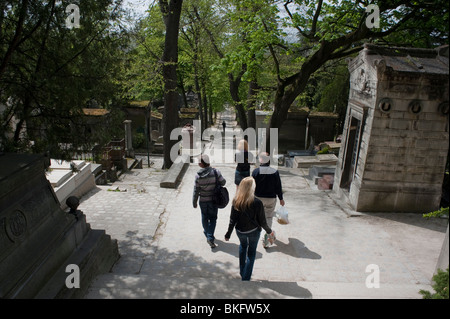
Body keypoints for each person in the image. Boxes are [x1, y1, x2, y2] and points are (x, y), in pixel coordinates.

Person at [224, 177, 274, 281]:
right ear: (252, 188)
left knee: (242, 247)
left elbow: (232, 220)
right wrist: (269, 231)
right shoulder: (257, 202)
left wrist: (228, 234)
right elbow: (262, 221)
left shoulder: (236, 201)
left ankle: (243, 272)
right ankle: (246, 278)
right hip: (254, 231)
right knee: (251, 253)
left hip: (240, 231)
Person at [252, 152, 285, 248]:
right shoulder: (275, 172)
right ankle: (265, 235)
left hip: (258, 198)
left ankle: (260, 234)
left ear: (261, 160)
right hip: (271, 198)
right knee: (269, 218)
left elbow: (251, 186)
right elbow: (278, 186)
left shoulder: (255, 172)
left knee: (258, 217)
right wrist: (281, 198)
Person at [193, 154, 226, 248]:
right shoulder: (216, 172)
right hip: (214, 200)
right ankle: (210, 236)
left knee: (204, 217)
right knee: (213, 218)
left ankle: (207, 233)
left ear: (200, 164)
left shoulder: (197, 176)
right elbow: (223, 182)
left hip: (203, 200)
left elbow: (196, 190)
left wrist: (194, 202)